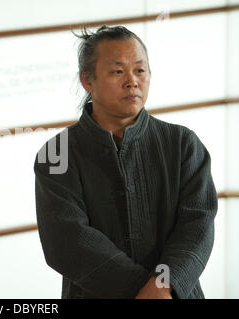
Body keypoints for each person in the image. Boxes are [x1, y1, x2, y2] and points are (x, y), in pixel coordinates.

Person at [34, 25, 217, 299]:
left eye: (140, 70)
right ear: (87, 80)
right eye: (118, 71)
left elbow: (197, 224)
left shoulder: (183, 143)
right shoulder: (56, 153)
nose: (132, 81)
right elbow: (66, 240)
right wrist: (143, 291)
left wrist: (164, 285)